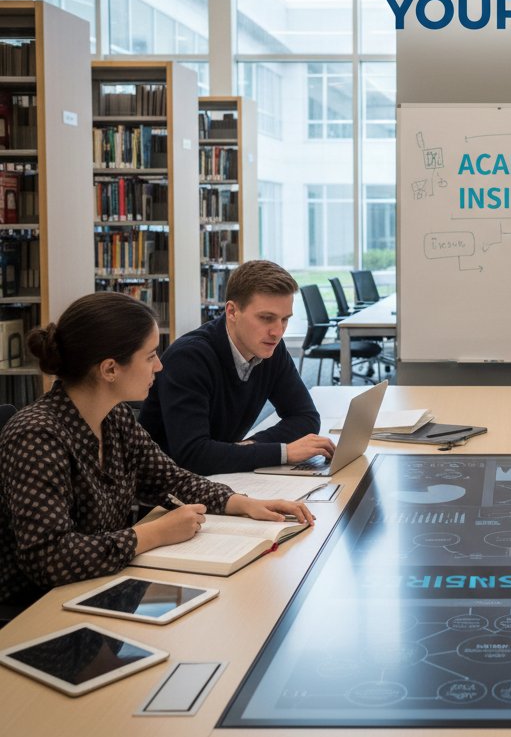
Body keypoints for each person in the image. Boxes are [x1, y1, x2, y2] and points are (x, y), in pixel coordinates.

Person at [0, 292, 315, 607]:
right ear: (110, 369)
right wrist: (152, 534)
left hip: (102, 586)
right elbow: (48, 558)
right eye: (150, 356)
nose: (160, 365)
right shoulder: (36, 435)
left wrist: (242, 504)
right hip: (36, 607)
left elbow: (169, 479)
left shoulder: (115, 416)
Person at [140, 259, 335, 476]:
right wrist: (282, 452)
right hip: (171, 491)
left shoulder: (271, 349)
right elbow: (192, 455)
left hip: (223, 477)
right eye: (266, 318)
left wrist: (248, 447)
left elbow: (306, 417)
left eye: (284, 320)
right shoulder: (189, 358)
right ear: (232, 311)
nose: (278, 332)